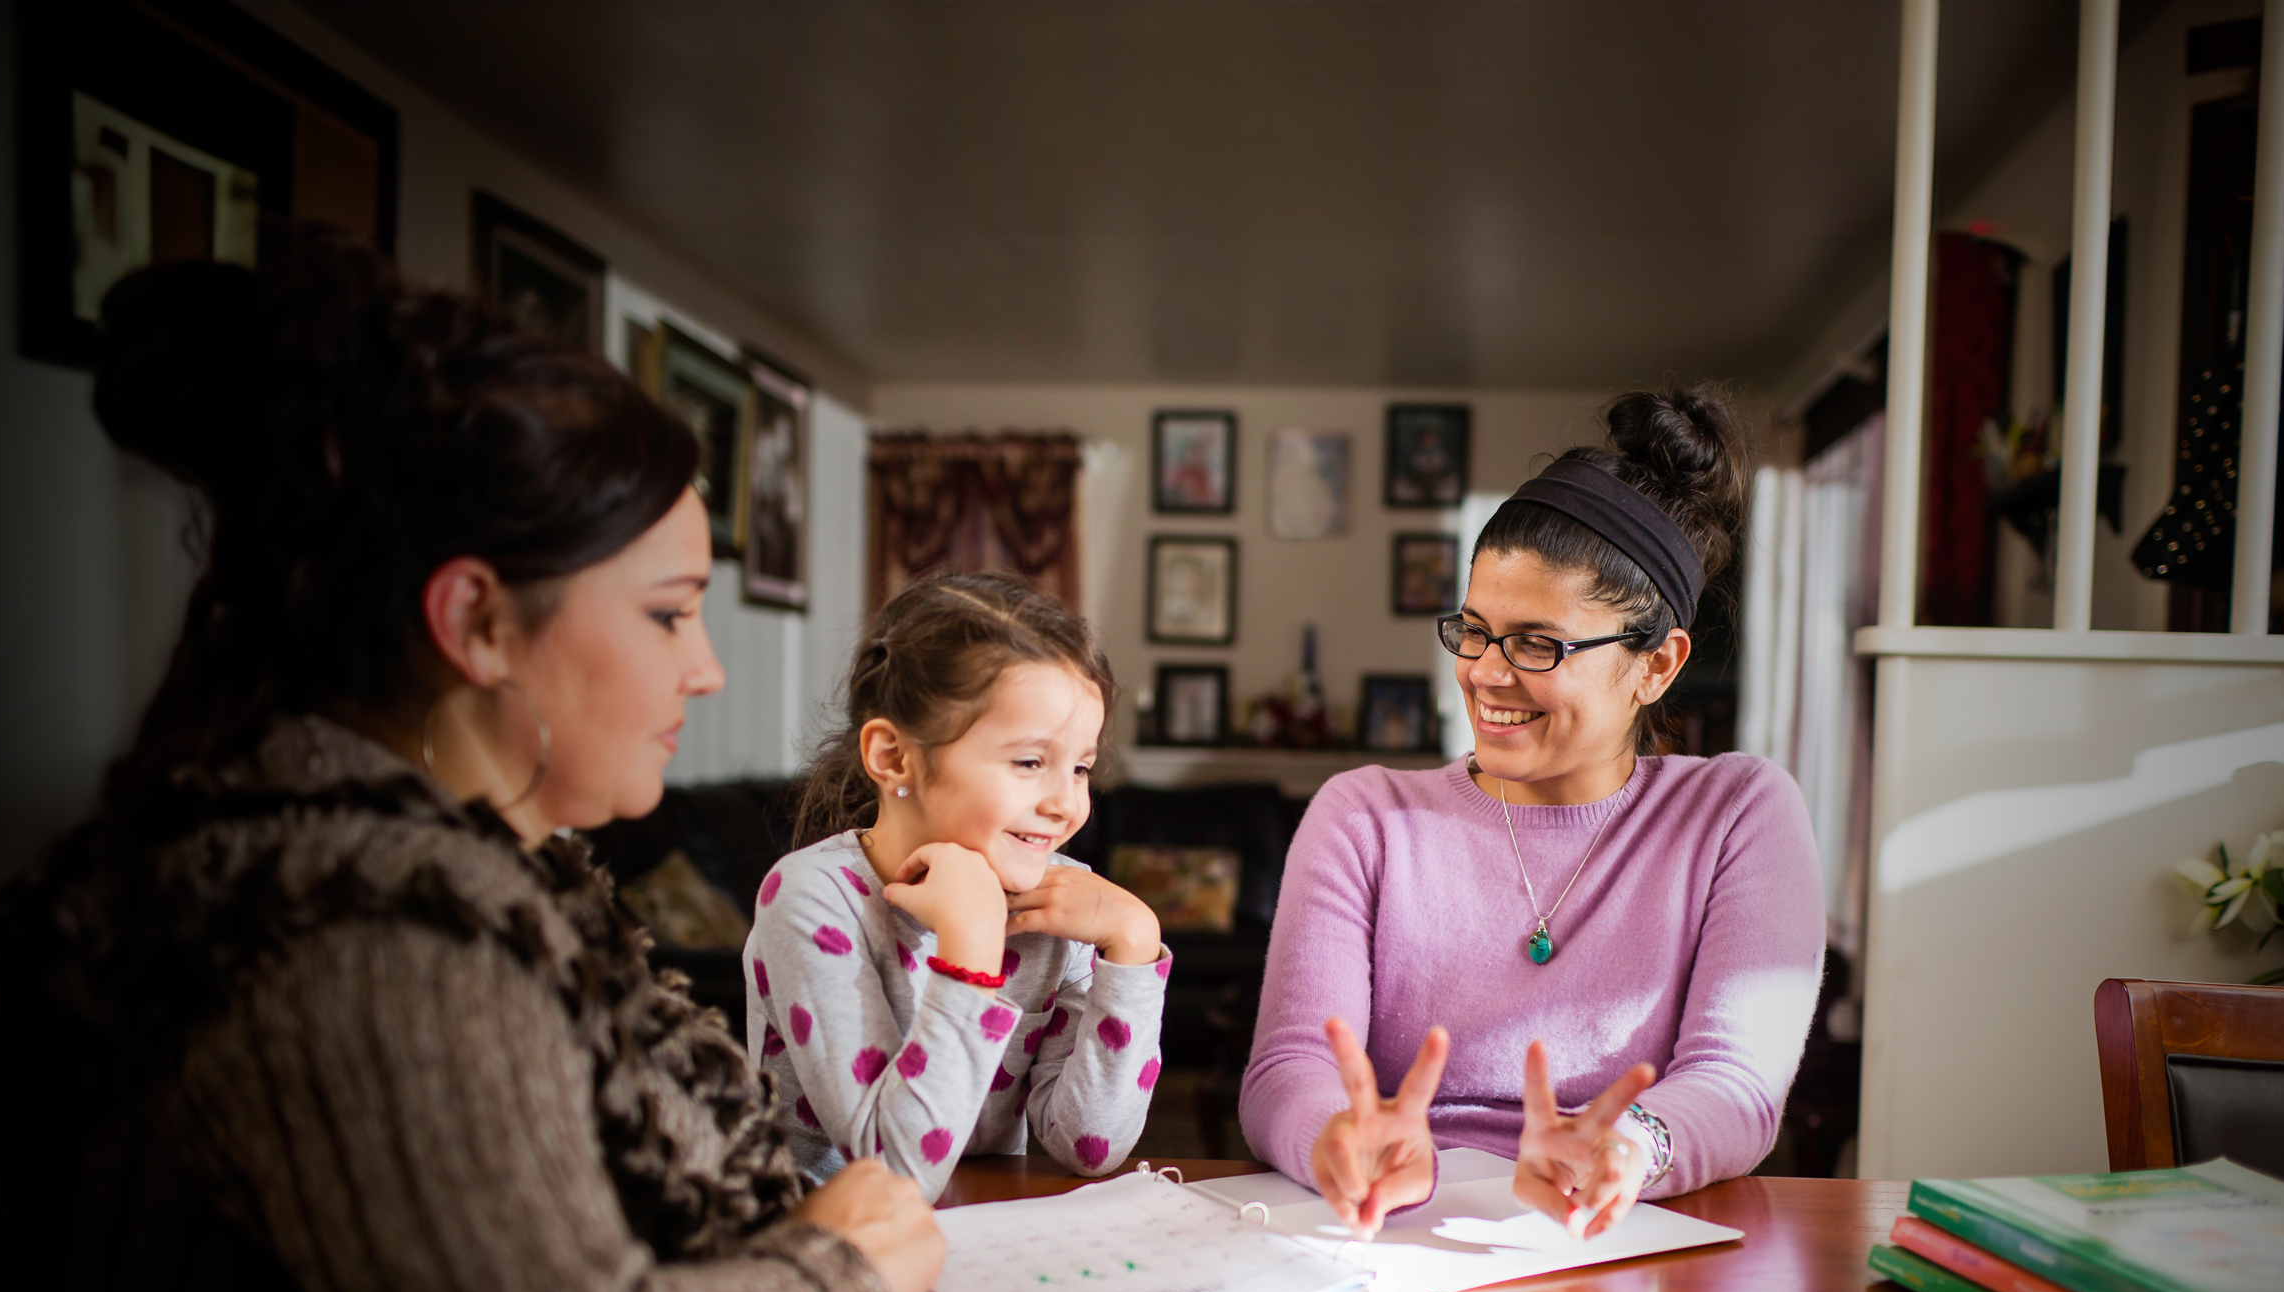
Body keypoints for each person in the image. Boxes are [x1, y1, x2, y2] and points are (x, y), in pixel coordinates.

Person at [0, 239, 941, 1292]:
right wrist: (834, 1276)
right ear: (478, 620)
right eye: (669, 613)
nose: (707, 668)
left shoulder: (466, 876)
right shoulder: (359, 931)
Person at [1240, 387, 1824, 1240]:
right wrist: (1334, 1136)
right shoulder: (1365, 815)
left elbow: (1736, 1082)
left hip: (1625, 1235)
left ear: (1656, 665)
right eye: (1472, 630)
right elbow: (1288, 1067)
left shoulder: (1738, 813)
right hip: (1393, 1235)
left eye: (1537, 644)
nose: (1484, 672)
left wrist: (1633, 1145)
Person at [750, 575, 1169, 1197]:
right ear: (894, 758)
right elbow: (895, 1176)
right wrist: (969, 952)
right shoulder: (812, 900)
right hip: (828, 1254)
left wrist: (1134, 946)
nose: (1066, 804)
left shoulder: (1062, 906)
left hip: (984, 1243)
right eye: (1029, 762)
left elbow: (1090, 1146)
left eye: (1080, 767)